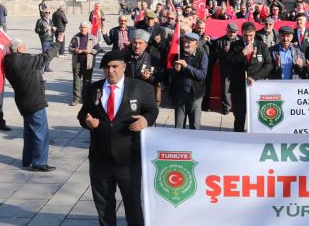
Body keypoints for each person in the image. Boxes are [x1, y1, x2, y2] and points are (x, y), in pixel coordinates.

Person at [77, 50, 158, 226]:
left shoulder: (140, 87)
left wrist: (146, 120)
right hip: (100, 158)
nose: (110, 71)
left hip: (129, 158)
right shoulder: (93, 89)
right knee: (104, 204)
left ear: (124, 67)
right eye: (106, 67)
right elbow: (83, 113)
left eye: (114, 66)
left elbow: (152, 110)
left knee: (133, 204)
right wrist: (87, 121)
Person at [4, 35, 62, 171]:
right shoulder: (25, 60)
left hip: (22, 101)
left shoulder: (8, 61)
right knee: (41, 132)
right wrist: (58, 42)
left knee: (29, 132)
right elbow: (46, 56)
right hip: (34, 101)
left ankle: (27, 159)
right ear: (19, 49)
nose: (26, 48)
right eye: (24, 46)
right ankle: (40, 162)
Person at [228, 22, 273, 132]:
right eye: (245, 35)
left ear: (255, 33)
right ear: (241, 33)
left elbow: (268, 65)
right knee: (239, 117)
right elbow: (229, 64)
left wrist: (255, 77)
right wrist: (242, 53)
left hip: (256, 87)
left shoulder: (262, 46)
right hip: (238, 88)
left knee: (257, 117)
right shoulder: (235, 45)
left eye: (251, 35)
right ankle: (238, 140)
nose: (248, 38)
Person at [169, 33, 208, 129]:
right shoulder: (178, 55)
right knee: (179, 125)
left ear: (196, 44)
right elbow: (170, 75)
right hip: (180, 94)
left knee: (194, 125)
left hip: (195, 95)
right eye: (184, 42)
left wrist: (186, 66)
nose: (185, 44)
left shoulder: (202, 55)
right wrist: (175, 70)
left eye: (189, 42)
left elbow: (202, 75)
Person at [68, 22, 101, 106]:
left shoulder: (93, 38)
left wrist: (90, 51)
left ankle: (85, 98)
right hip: (77, 62)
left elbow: (98, 49)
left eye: (85, 27)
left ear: (88, 28)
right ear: (79, 28)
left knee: (87, 81)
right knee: (76, 80)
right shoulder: (75, 37)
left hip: (88, 63)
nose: (83, 29)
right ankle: (76, 99)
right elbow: (70, 48)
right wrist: (74, 50)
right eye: (81, 27)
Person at [213, 23, 240, 114]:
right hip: (226, 69)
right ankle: (226, 108)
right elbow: (216, 55)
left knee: (237, 89)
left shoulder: (241, 39)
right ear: (226, 30)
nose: (232, 34)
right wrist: (223, 52)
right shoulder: (219, 41)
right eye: (230, 32)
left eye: (234, 32)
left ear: (237, 32)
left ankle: (236, 107)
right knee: (226, 89)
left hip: (238, 69)